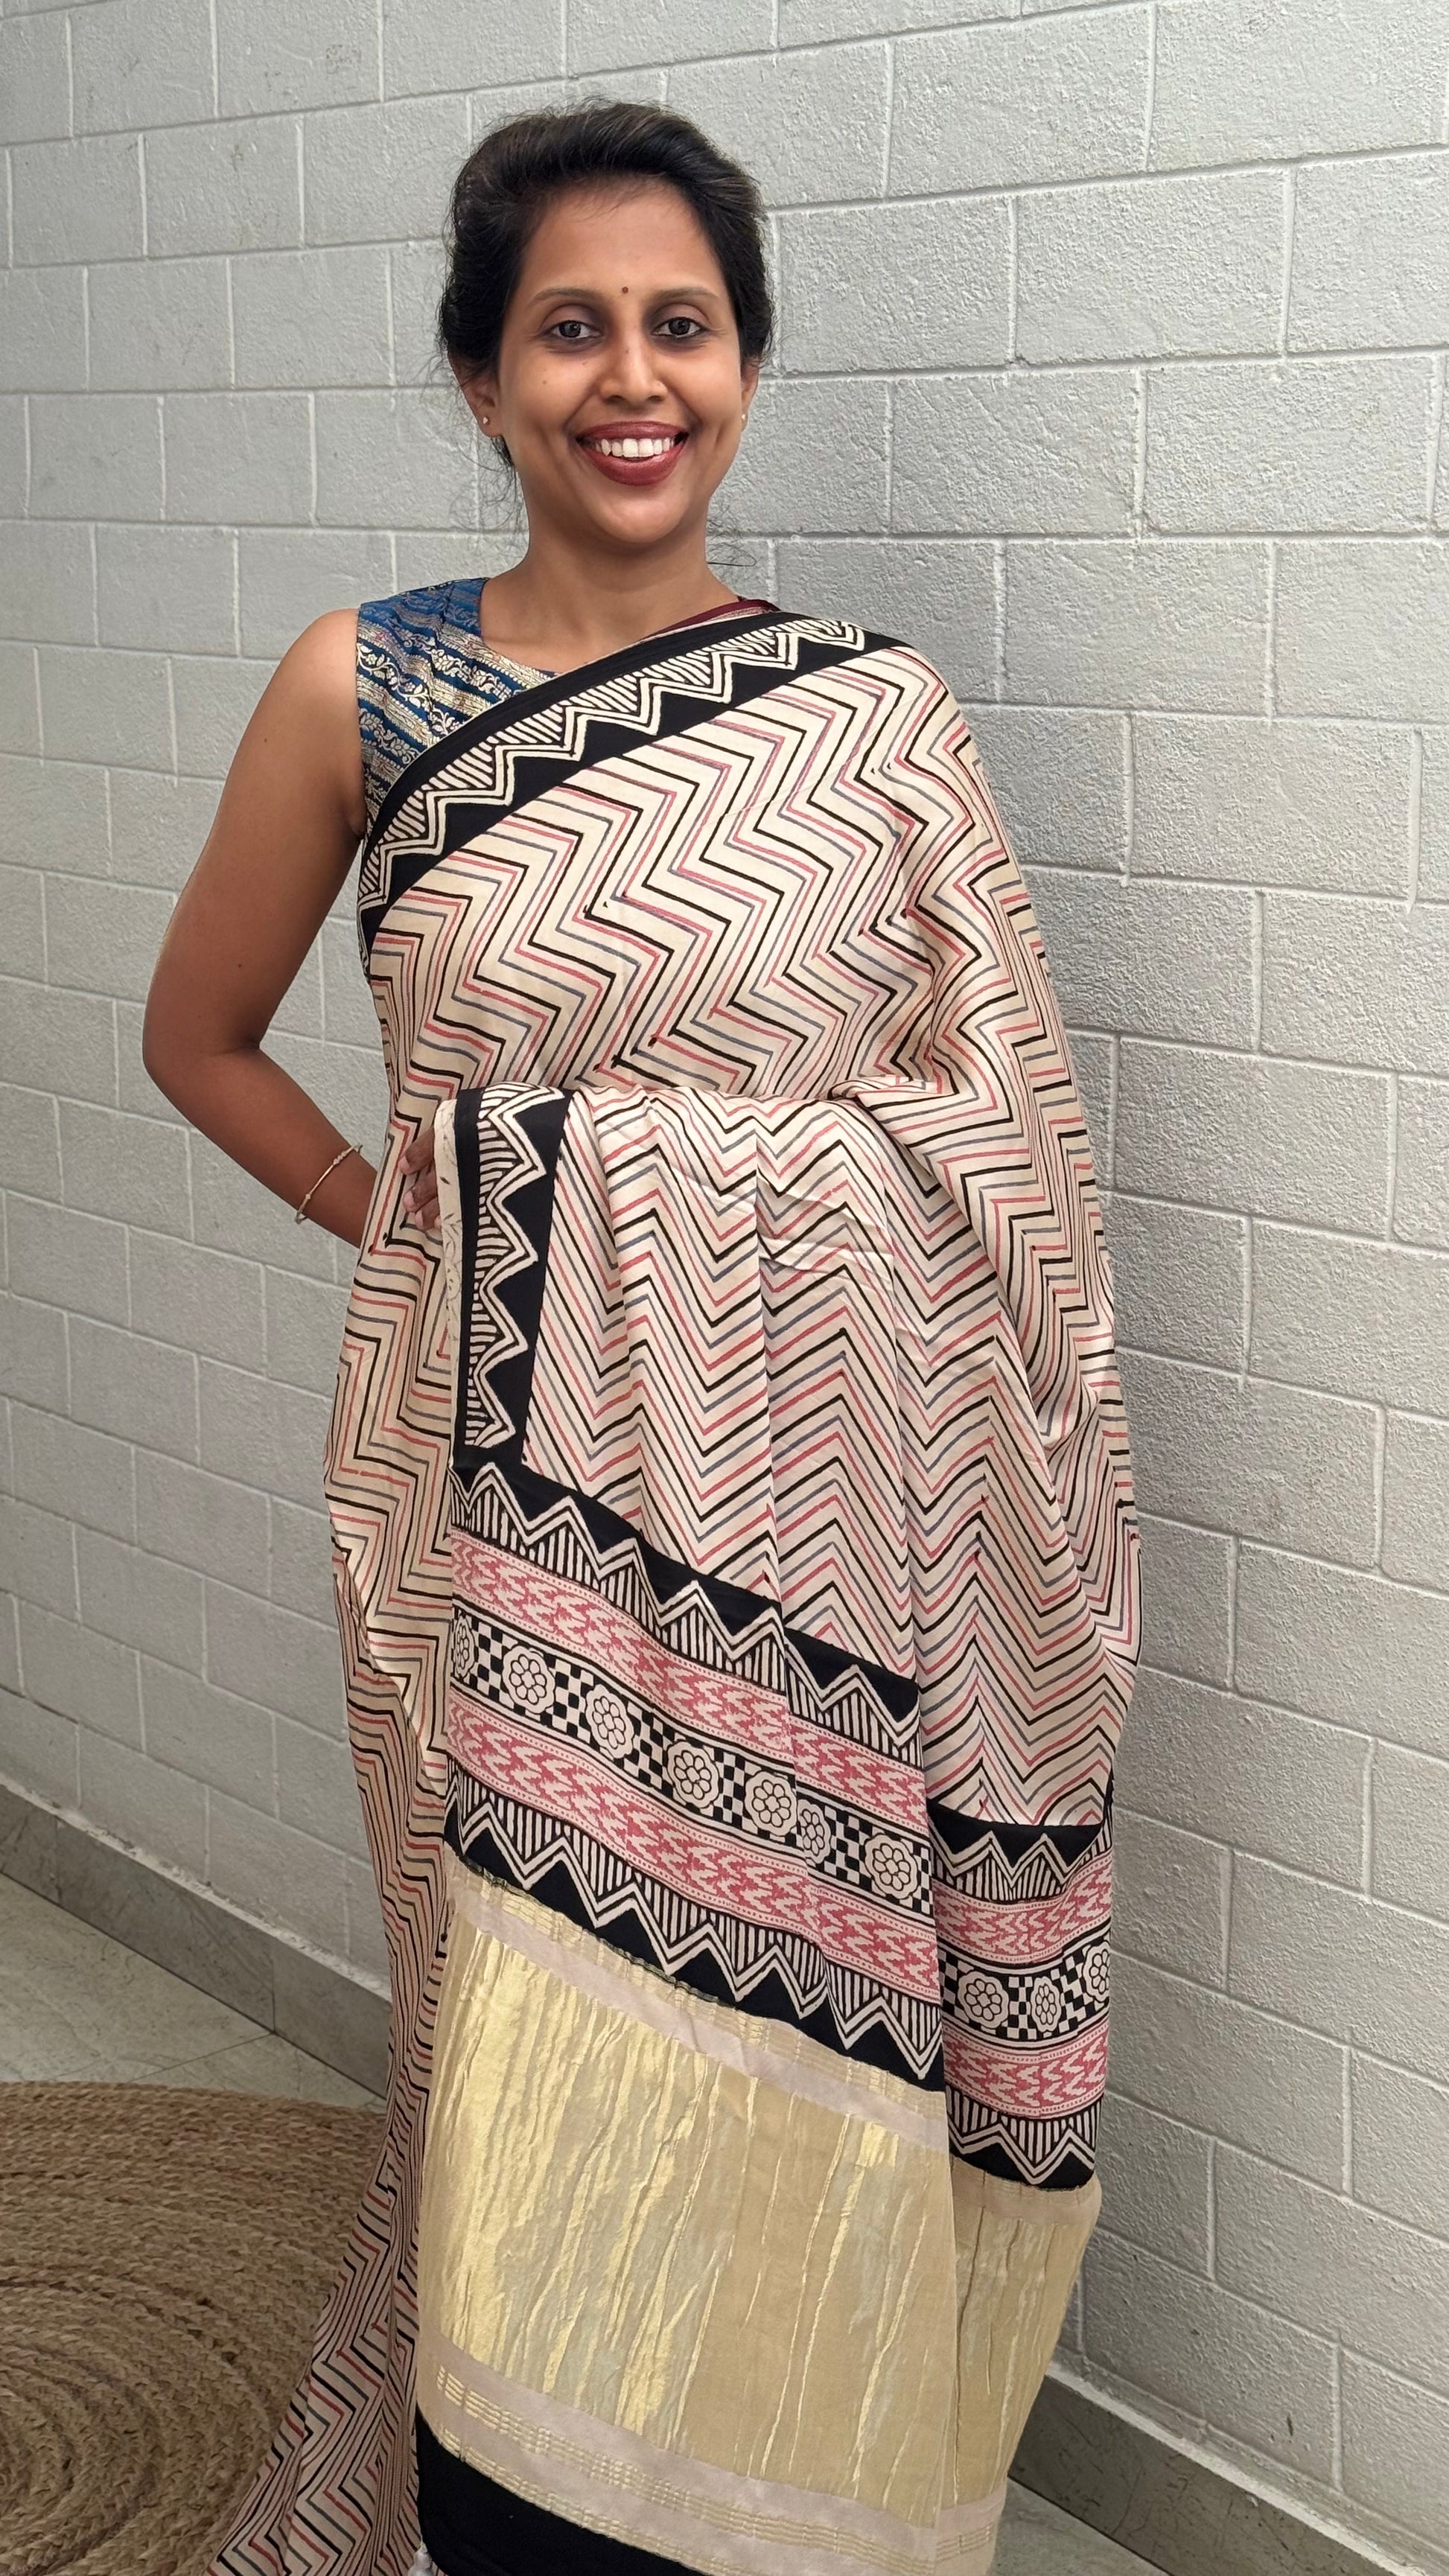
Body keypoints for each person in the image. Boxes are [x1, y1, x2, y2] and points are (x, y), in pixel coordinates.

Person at [144, 99, 1140, 2576]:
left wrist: (630, 1188)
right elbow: (198, 1037)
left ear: (744, 367)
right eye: (567, 327)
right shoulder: (363, 688)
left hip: (838, 1552)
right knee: (518, 2046)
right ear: (479, 375)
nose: (629, 376)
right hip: (490, 1518)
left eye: (678, 325)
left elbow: (1009, 1147)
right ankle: (513, 2512)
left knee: (805, 2059)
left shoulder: (871, 720)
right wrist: (418, 1222)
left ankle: (795, 2505)